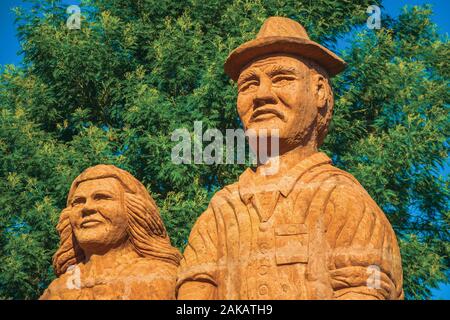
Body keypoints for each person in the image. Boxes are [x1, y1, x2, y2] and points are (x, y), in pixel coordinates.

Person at [176, 17, 404, 300]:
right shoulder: (223, 209)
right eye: (249, 84)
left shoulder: (339, 196)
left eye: (282, 78)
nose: (262, 95)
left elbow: (365, 288)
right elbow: (194, 289)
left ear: (319, 91)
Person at [40, 165, 181, 299]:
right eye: (78, 201)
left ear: (133, 210)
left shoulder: (160, 278)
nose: (87, 207)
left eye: (101, 197)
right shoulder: (56, 290)